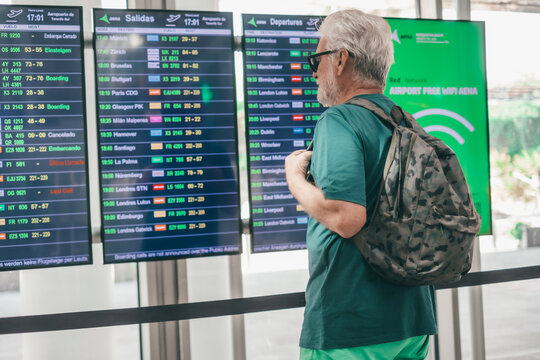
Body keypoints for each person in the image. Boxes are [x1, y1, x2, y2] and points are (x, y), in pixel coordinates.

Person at [284, 9, 438, 360]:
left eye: (316, 60)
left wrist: (295, 177)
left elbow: (346, 217)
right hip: (412, 319)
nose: (314, 73)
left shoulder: (338, 120)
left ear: (341, 60)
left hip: (351, 327)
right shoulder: (403, 122)